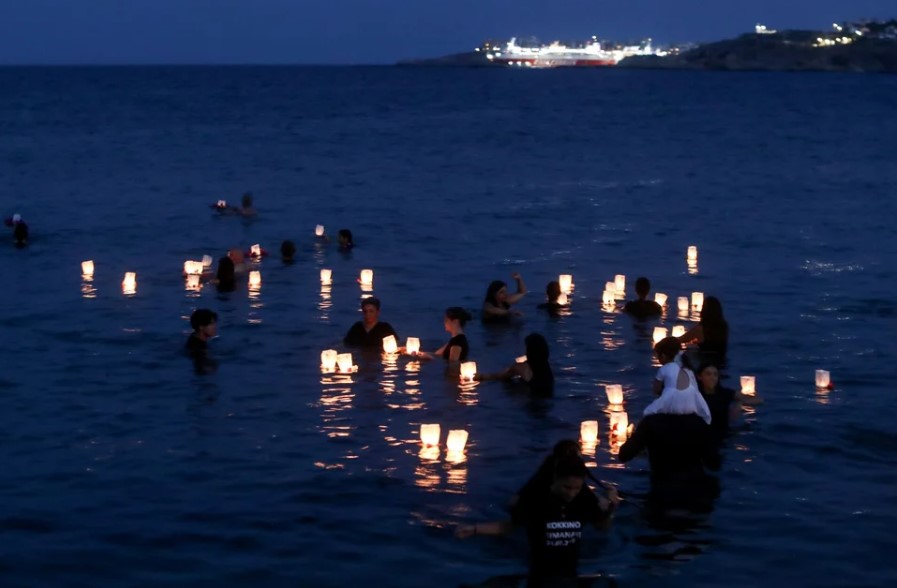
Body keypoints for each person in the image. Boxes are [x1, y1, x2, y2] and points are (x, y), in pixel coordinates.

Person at [455, 454, 616, 586]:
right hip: (540, 574)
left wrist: (611, 508)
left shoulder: (584, 500)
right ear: (556, 479)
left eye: (577, 488)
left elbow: (602, 527)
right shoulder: (536, 499)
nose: (571, 493)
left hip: (570, 571)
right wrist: (475, 529)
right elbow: (510, 526)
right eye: (566, 487)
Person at [618, 410, 721, 516]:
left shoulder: (650, 422)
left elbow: (624, 455)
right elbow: (714, 465)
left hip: (662, 496)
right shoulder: (699, 423)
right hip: (694, 497)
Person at [645, 337, 712, 425]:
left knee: (647, 413)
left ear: (663, 356)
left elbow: (656, 390)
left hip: (674, 403)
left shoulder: (664, 368)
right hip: (692, 403)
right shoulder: (688, 369)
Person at [696, 362, 762, 442]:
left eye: (715, 374)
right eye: (708, 374)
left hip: (724, 434)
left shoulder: (724, 393)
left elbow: (758, 400)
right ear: (699, 377)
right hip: (703, 435)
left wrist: (740, 403)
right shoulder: (695, 396)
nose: (712, 377)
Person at [478, 333, 554, 396]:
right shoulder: (547, 366)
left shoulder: (522, 367)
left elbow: (500, 376)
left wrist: (481, 376)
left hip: (532, 398)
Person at [679, 295, 728, 360]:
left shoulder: (702, 328)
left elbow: (681, 340)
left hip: (705, 363)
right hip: (721, 362)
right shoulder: (724, 326)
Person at [185, 309, 218, 374]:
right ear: (201, 327)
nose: (215, 327)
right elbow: (203, 368)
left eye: (214, 323)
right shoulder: (199, 349)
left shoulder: (194, 337)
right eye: (211, 324)